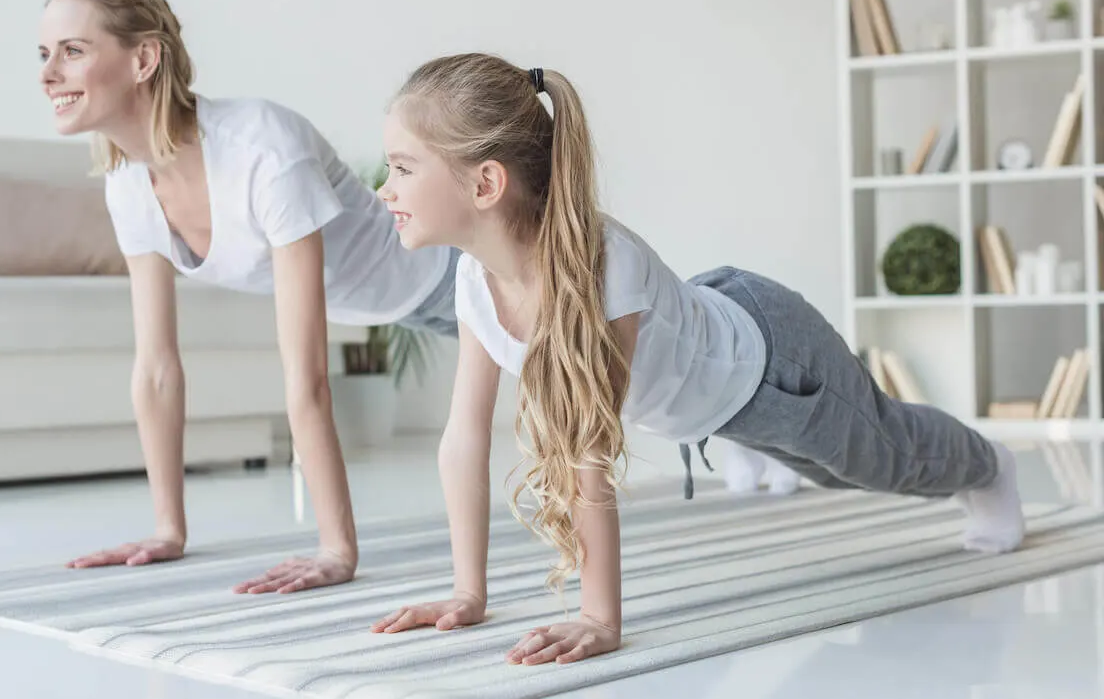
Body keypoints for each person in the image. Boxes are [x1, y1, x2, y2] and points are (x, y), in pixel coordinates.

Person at [367, 52, 1025, 665]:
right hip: (702, 350)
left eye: (402, 167)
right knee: (795, 450)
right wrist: (466, 591)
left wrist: (600, 618)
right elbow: (464, 435)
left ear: (485, 183)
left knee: (879, 459)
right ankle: (736, 438)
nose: (384, 188)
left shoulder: (600, 269)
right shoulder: (473, 275)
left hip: (774, 366)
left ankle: (990, 465)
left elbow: (587, 450)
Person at [37, 0, 459, 594]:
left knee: (634, 374)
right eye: (45, 54)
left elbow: (307, 375)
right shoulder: (129, 186)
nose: (48, 74)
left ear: (143, 58)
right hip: (393, 305)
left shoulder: (261, 149)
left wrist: (336, 549)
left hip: (457, 271)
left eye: (73, 51)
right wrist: (166, 530)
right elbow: (157, 368)